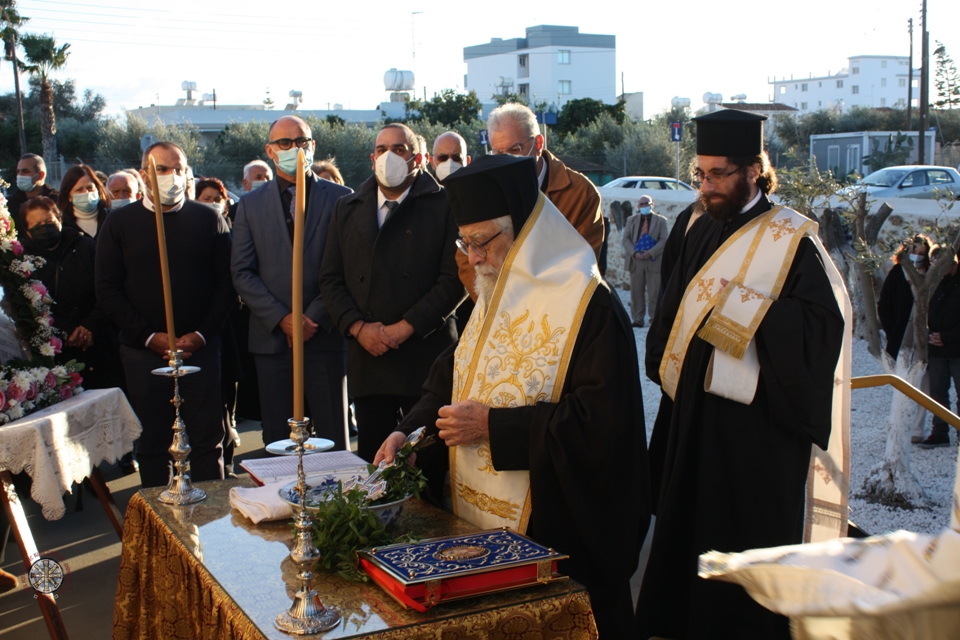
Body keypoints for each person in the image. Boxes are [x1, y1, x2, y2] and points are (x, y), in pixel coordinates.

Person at [373, 154, 650, 637]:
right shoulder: (494, 293)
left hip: (553, 531)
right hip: (472, 525)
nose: (473, 258)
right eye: (465, 243)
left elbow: (602, 427)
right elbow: (449, 382)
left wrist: (493, 427)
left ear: (524, 231)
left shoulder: (590, 306)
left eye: (482, 242)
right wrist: (409, 433)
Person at [637, 109, 851, 639]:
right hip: (692, 414)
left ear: (754, 170)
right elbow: (670, 306)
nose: (705, 187)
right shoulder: (694, 224)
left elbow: (823, 327)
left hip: (752, 436)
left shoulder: (792, 240)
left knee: (740, 546)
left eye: (718, 175)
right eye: (700, 174)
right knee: (686, 535)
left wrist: (747, 309)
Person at [319, 122, 464, 463]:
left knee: (428, 461)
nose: (389, 157)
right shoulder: (347, 207)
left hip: (425, 356)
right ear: (372, 159)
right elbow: (330, 279)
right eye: (381, 150)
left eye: (399, 149)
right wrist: (358, 328)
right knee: (375, 462)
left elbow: (454, 279)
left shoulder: (446, 204)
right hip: (369, 360)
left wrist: (405, 327)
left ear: (418, 158)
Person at [96, 141, 235, 488]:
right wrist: (148, 337)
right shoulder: (118, 223)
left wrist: (201, 335)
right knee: (153, 444)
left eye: (178, 168)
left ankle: (213, 514)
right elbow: (108, 289)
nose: (171, 175)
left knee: (207, 441)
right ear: (144, 175)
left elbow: (226, 285)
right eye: (161, 169)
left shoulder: (210, 219)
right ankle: (159, 516)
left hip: (200, 349)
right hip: (143, 352)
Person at [232, 116, 353, 449]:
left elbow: (348, 266)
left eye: (301, 141)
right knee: (278, 440)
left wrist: (313, 317)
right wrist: (282, 319)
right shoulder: (250, 205)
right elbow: (242, 271)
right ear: (271, 150)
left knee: (332, 436)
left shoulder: (341, 198)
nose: (294, 149)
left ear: (312, 145)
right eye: (285, 143)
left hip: (324, 335)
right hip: (273, 341)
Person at [452, 103, 603, 300]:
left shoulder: (580, 193)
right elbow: (466, 257)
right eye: (498, 153)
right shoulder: (484, 188)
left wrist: (528, 306)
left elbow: (581, 264)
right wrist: (497, 303)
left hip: (556, 306)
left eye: (515, 149)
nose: (506, 161)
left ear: (538, 144)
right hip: (502, 306)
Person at [20, 195, 125, 392]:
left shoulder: (85, 246)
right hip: (58, 352)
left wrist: (90, 325)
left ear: (59, 219)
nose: (44, 228)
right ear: (27, 230)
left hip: (101, 341)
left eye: (48, 221)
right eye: (37, 225)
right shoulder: (23, 262)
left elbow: (107, 288)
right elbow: (28, 306)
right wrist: (66, 331)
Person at [924, 247, 960, 448]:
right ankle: (939, 432)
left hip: (957, 350)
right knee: (937, 394)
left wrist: (947, 337)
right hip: (936, 350)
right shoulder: (931, 284)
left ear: (953, 265)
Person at [621, 194, 668, 327]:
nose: (644, 206)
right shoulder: (631, 220)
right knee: (636, 293)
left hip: (653, 261)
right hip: (636, 261)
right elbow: (626, 239)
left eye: (646, 203)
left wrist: (650, 253)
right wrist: (634, 253)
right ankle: (638, 319)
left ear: (652, 204)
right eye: (641, 204)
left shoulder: (660, 221)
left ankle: (654, 318)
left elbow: (664, 240)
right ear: (638, 206)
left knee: (654, 293)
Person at [9, 154, 58, 237]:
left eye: (25, 171)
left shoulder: (58, 200)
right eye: (18, 171)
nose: (19, 175)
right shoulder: (10, 204)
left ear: (41, 175)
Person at [57, 164, 111, 239]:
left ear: (98, 189)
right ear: (69, 196)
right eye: (79, 190)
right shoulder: (62, 225)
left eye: (90, 188)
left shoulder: (111, 218)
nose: (86, 192)